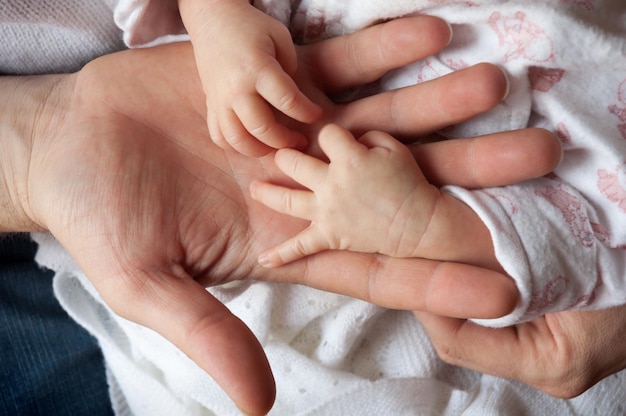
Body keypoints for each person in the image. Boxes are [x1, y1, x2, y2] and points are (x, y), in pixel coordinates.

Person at [2, 3, 625, 416]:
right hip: (222, 167)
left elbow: (578, 243)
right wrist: (223, 32)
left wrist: (419, 225)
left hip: (503, 162)